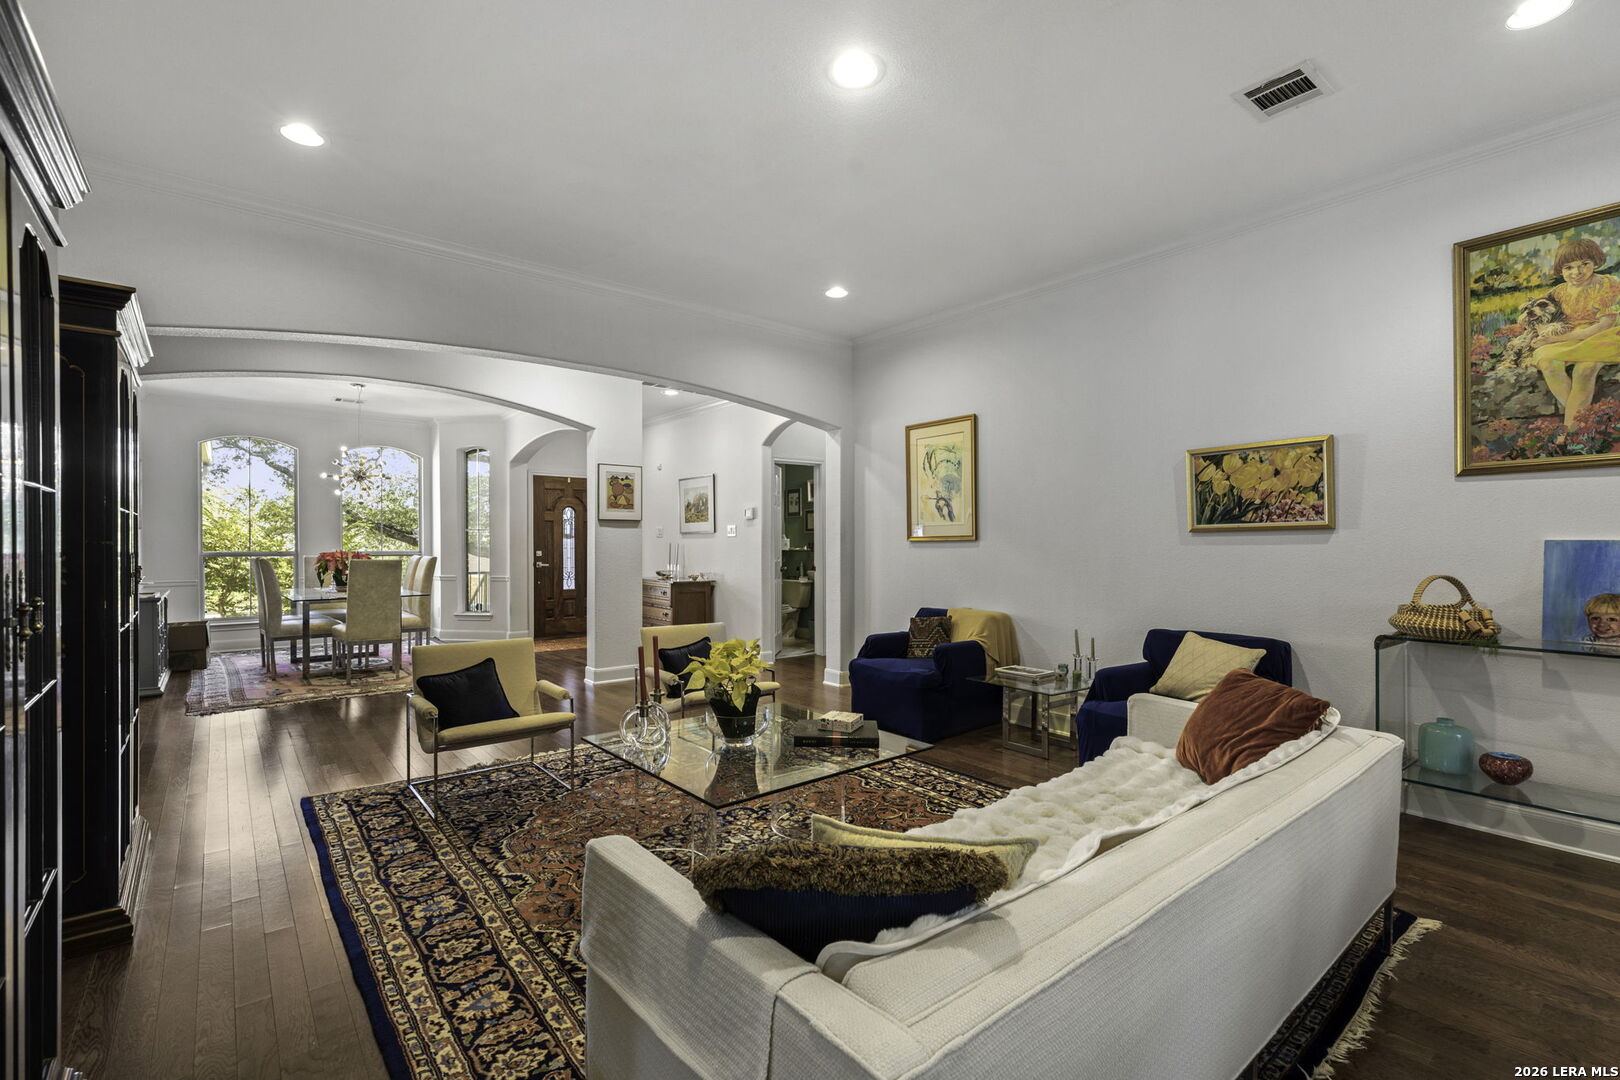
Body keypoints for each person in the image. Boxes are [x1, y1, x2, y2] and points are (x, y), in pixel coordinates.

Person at [1531, 236, 1620, 427]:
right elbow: (1539, 315)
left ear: (1595, 263)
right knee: (1547, 362)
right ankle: (1582, 422)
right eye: (1568, 267)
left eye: (1584, 264)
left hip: (1603, 336)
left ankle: (1570, 431)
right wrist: (1544, 331)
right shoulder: (1559, 291)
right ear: (1561, 270)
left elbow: (1605, 325)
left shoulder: (1607, 283)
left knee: (1585, 369)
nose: (1576, 272)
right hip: (1570, 337)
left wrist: (1560, 338)